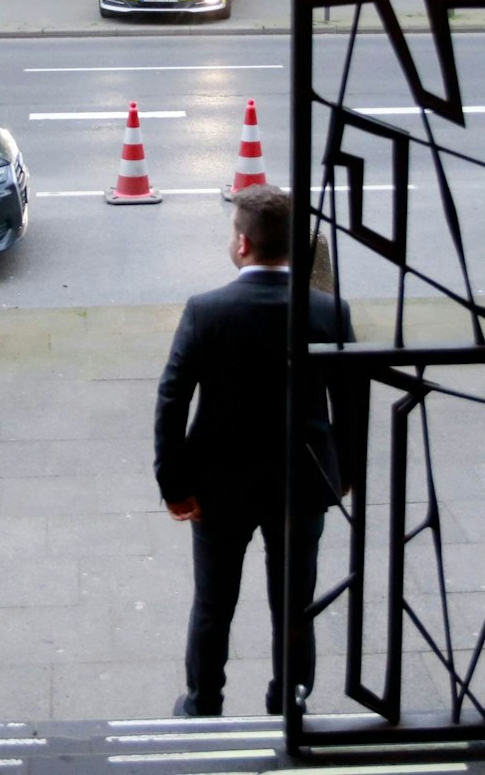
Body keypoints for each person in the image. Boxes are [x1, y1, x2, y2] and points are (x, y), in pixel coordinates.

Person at [153, 186, 365, 718]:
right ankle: (289, 702)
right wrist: (344, 473)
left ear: (242, 243)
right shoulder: (329, 311)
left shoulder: (206, 310)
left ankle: (204, 704)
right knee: (295, 603)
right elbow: (352, 402)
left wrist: (174, 485)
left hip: (218, 488)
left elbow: (172, 401)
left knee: (212, 604)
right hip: (303, 481)